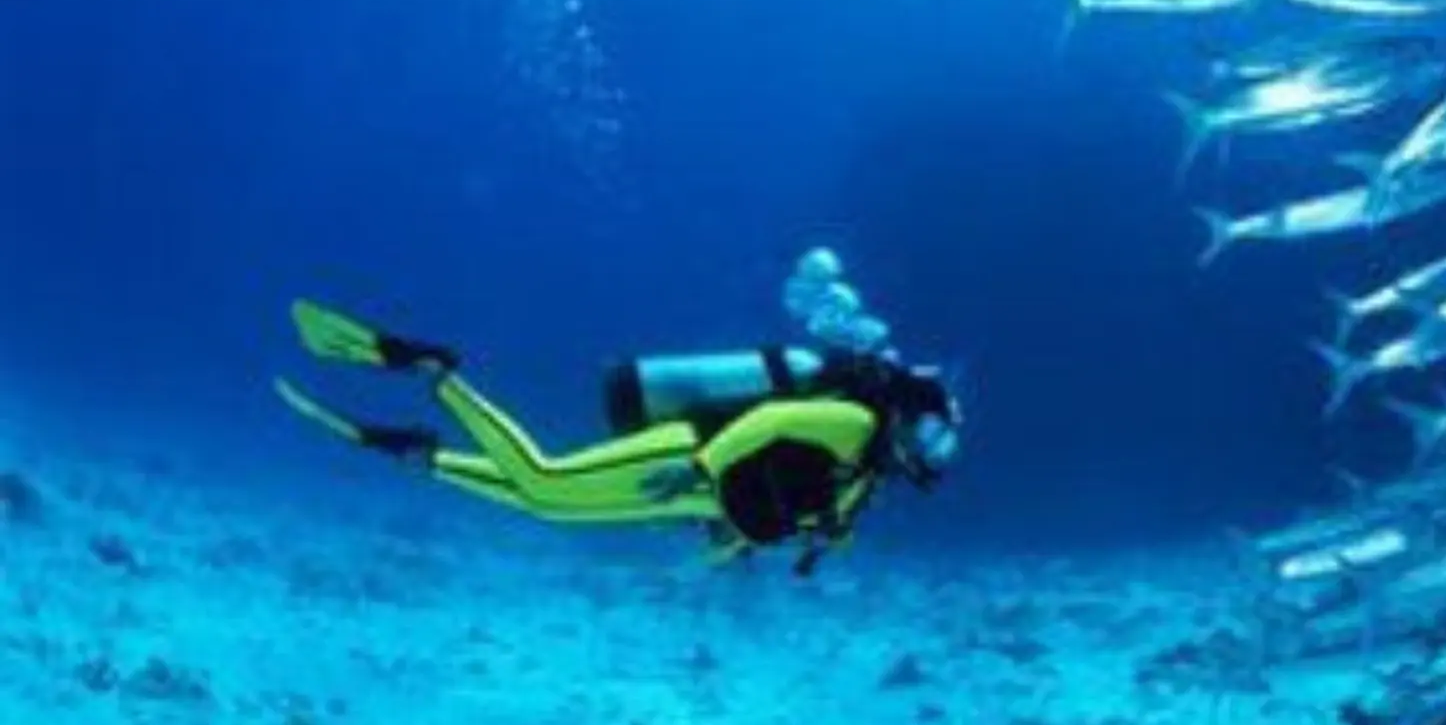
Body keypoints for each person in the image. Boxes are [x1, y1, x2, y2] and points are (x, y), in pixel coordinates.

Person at [273, 296, 961, 574]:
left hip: (692, 500)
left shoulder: (863, 483)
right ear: (908, 415)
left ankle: (424, 454)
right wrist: (703, 467)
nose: (928, 456)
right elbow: (770, 421)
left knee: (548, 506)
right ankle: (437, 370)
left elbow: (771, 522)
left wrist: (717, 553)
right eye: (932, 438)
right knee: (545, 475)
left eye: (938, 452)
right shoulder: (857, 422)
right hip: (689, 454)